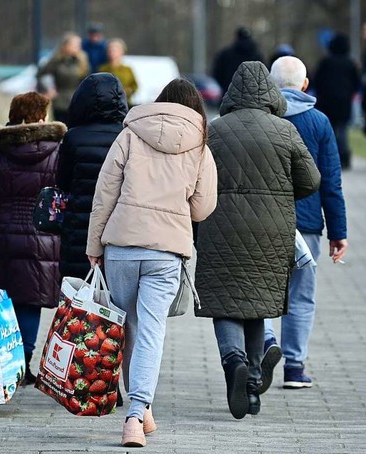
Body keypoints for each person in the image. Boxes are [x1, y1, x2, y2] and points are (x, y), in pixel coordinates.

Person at [86, 78, 218, 447]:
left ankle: (139, 410)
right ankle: (136, 413)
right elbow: (203, 207)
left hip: (123, 247)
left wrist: (94, 244)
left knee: (128, 327)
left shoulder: (130, 134)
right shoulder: (200, 144)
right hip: (165, 252)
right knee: (150, 330)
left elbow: (105, 193)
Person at [195, 61, 321, 420]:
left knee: (225, 302)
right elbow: (310, 180)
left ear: (232, 93)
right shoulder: (285, 131)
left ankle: (233, 361)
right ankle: (252, 386)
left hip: (219, 225)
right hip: (271, 228)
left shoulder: (215, 131)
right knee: (256, 303)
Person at [261, 56, 347, 393]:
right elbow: (331, 182)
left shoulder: (263, 118)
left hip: (266, 221)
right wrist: (338, 232)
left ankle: (266, 340)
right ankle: (295, 368)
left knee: (264, 290)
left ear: (269, 84)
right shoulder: (320, 122)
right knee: (301, 297)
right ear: (305, 85)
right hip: (307, 224)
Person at [0, 92, 66, 384]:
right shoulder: (58, 149)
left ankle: (4, 361)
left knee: (5, 300)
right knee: (31, 301)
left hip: (2, 234)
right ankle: (23, 363)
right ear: (40, 116)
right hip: (43, 238)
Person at [57, 73, 128, 281]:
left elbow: (61, 182)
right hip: (118, 227)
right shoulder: (127, 135)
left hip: (80, 230)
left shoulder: (73, 137)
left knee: (80, 302)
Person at [314, 33, 361, 170]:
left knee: (330, 131)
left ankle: (330, 159)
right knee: (343, 130)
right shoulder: (350, 63)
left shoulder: (326, 62)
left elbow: (317, 81)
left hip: (327, 102)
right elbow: (357, 83)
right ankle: (345, 158)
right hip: (344, 102)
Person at [37, 32, 89, 124]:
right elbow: (41, 75)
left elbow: (86, 80)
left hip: (77, 101)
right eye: (75, 44)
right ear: (66, 45)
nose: (78, 47)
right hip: (60, 101)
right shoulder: (56, 60)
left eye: (79, 44)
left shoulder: (82, 61)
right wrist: (48, 89)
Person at [212, 27, 264, 96]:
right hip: (252, 95)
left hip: (230, 94)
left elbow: (217, 73)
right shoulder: (257, 56)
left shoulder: (226, 54)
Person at [98, 38, 139, 105]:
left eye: (114, 51)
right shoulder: (102, 69)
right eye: (110, 50)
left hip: (125, 103)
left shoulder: (127, 69)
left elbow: (135, 86)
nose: (112, 53)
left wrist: (127, 91)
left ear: (121, 52)